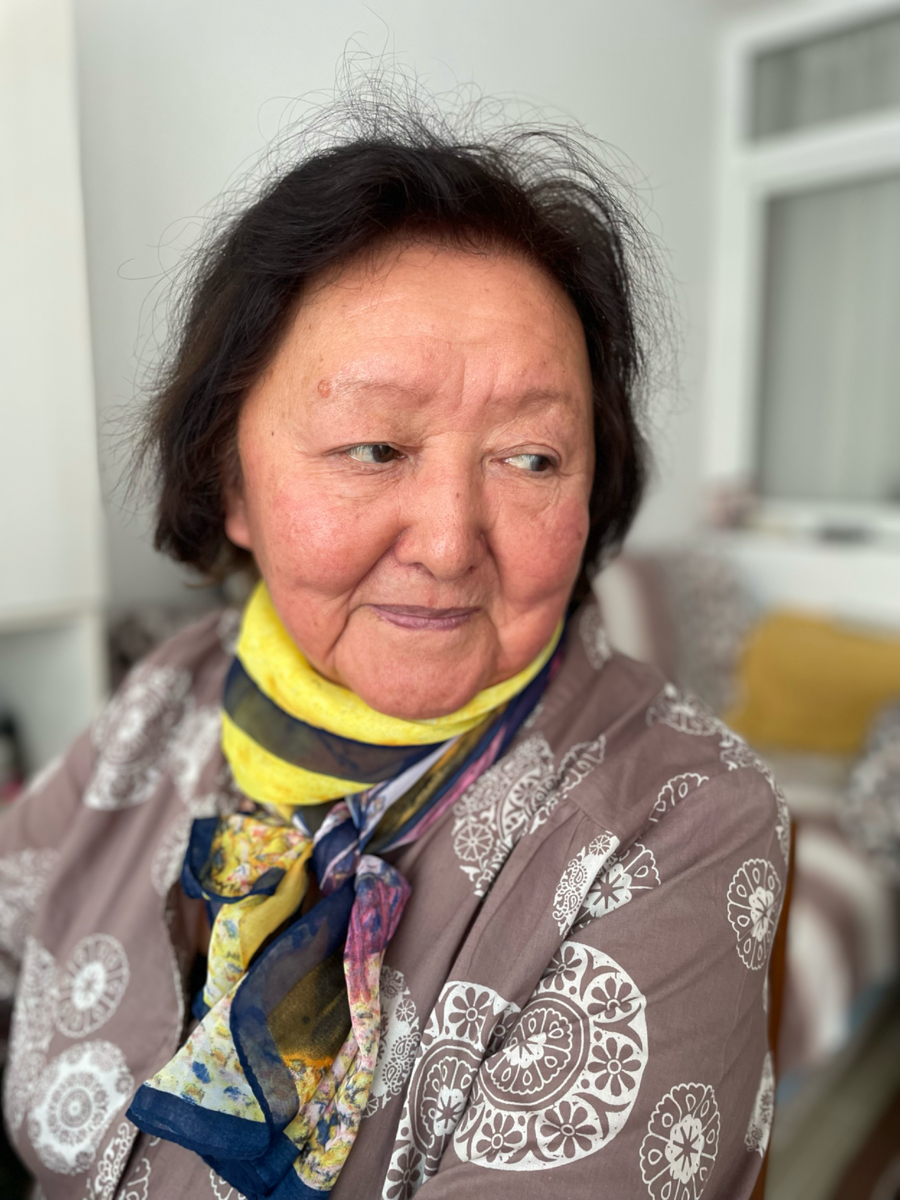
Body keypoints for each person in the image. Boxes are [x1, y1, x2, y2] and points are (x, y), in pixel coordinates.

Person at [0, 92, 787, 1200]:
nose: (451, 542)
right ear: (232, 484)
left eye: (531, 458)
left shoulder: (680, 814)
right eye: (374, 447)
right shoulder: (176, 694)